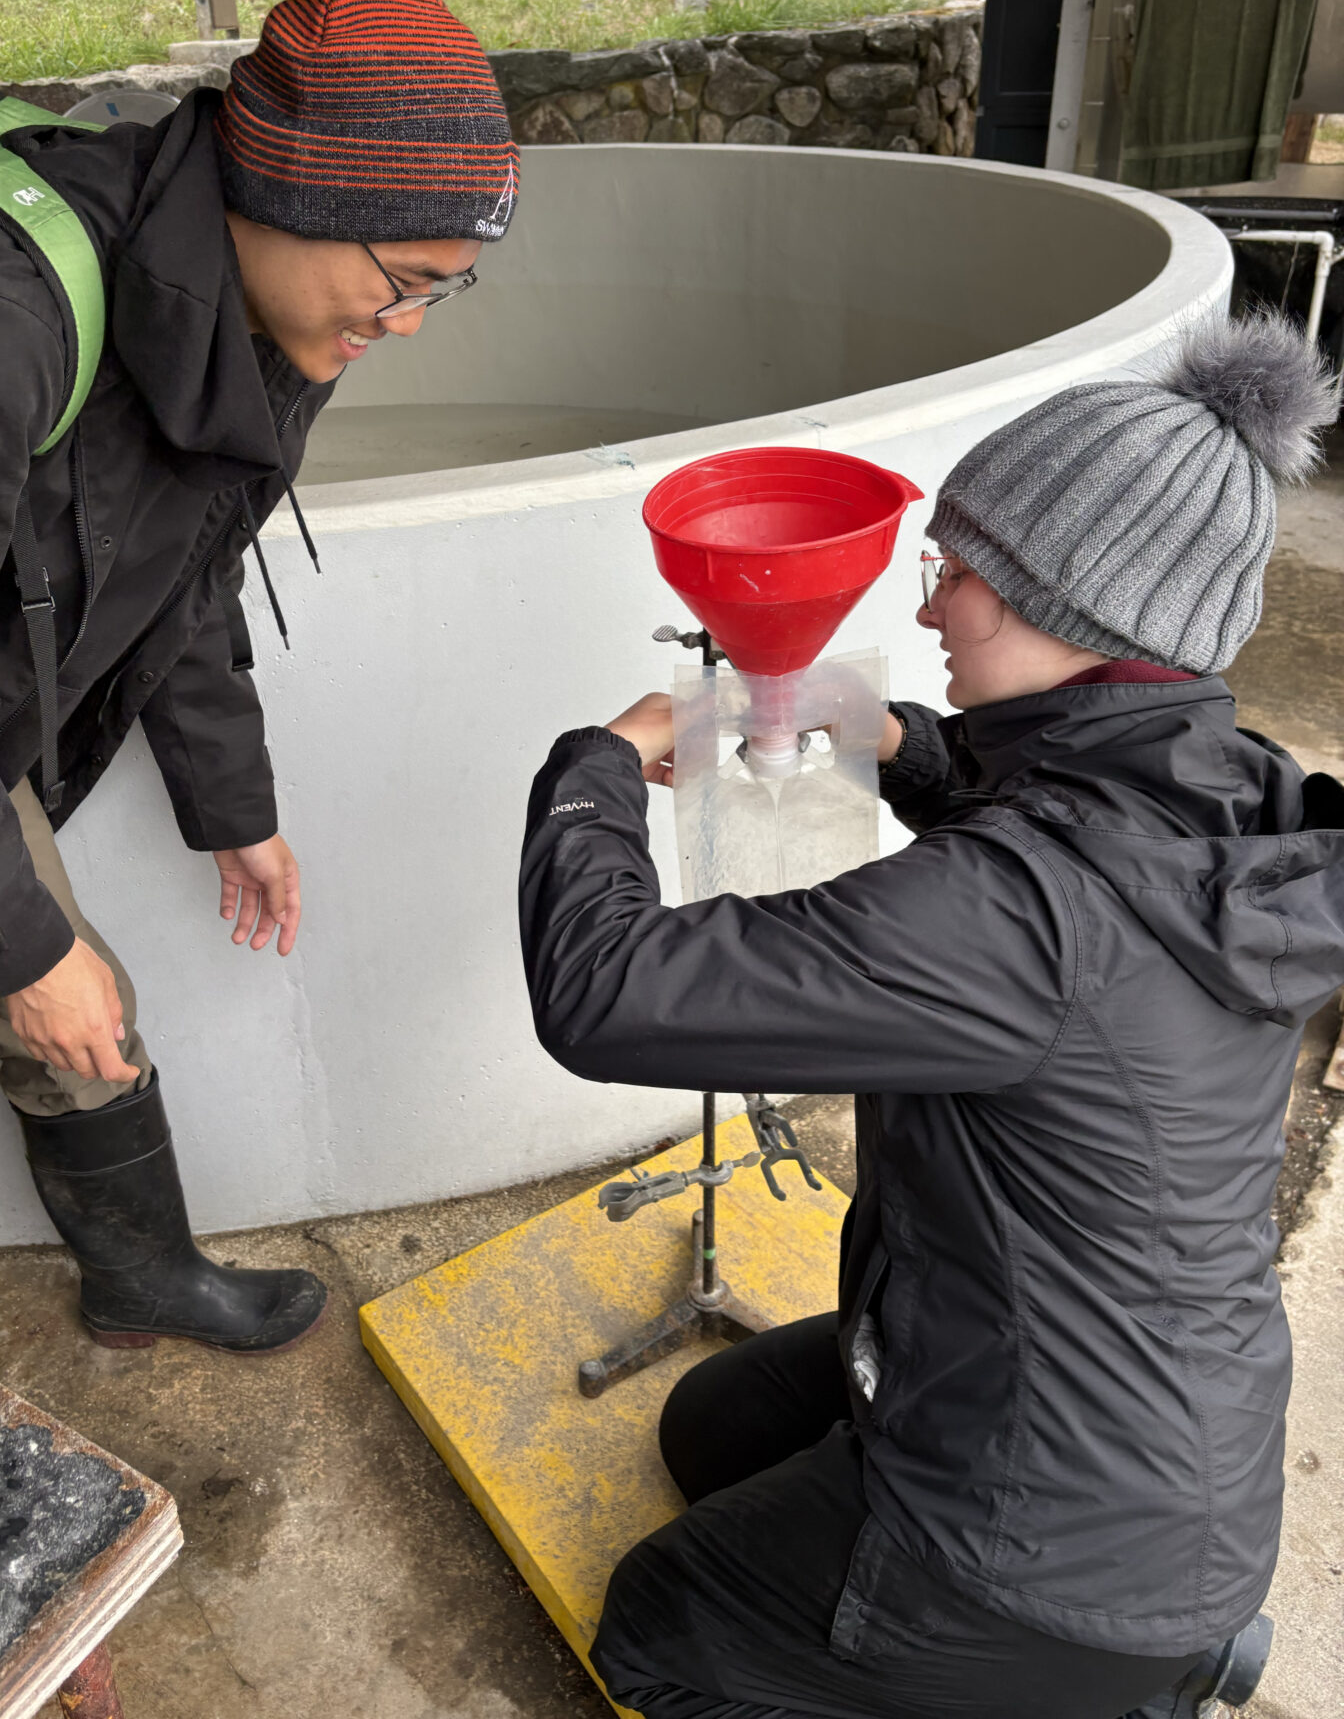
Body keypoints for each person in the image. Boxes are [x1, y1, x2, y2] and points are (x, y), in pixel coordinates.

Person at [519, 315, 1343, 1719]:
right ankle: (1119, 1658)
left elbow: (607, 990)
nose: (926, 610)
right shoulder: (1234, 786)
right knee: (709, 1430)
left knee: (652, 1630)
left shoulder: (1015, 914)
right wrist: (889, 736)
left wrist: (593, 769)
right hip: (1145, 1436)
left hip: (1057, 1552)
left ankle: (1099, 1683)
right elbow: (1057, 796)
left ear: (1055, 603)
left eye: (951, 573)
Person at [0, 0, 517, 1363]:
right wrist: (15, 948)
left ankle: (142, 1279)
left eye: (439, 295)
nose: (400, 328)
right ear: (299, 199)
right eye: (404, 282)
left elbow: (176, 561)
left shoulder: (249, 318)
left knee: (92, 1016)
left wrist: (233, 809)